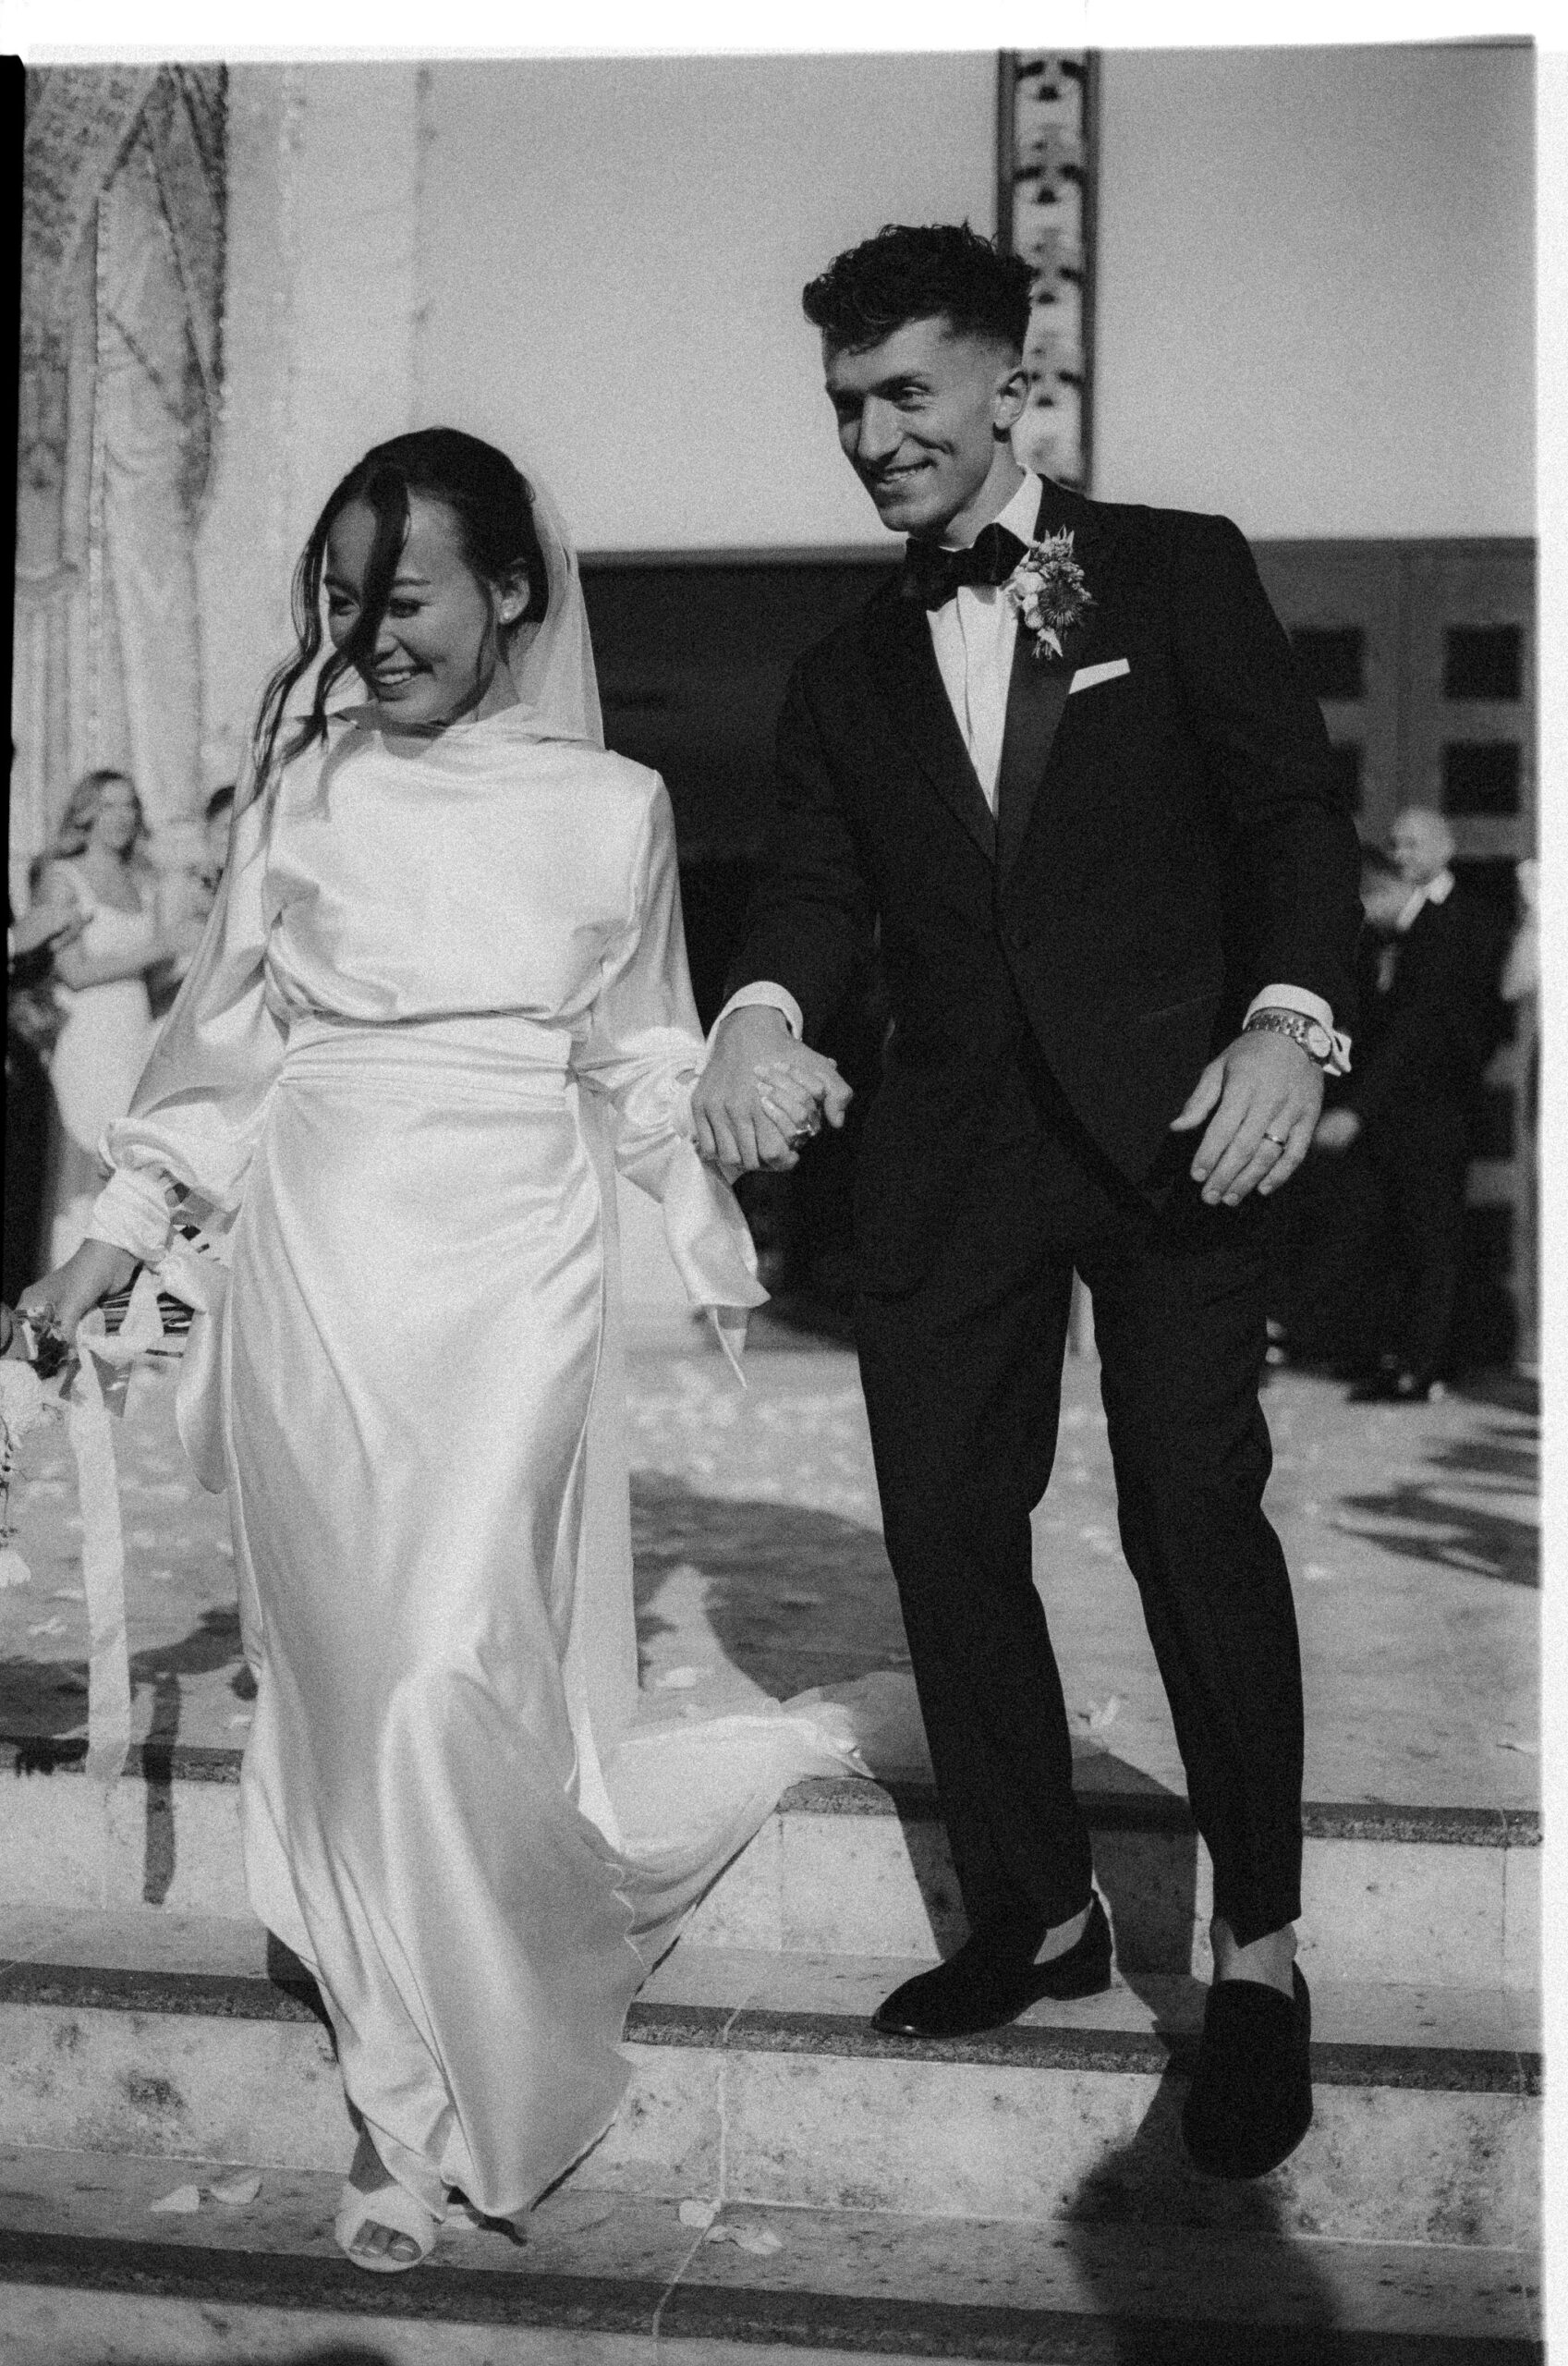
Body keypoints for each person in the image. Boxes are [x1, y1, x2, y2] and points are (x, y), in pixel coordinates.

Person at [22, 427, 845, 2270]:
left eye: (399, 598)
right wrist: (111, 1244)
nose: (366, 634)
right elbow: (226, 1071)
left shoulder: (615, 806)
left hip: (513, 1281)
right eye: (340, 603)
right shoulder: (298, 802)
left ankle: (492, 2038)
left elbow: (638, 1055)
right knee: (347, 1688)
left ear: (508, 595)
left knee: (444, 1668)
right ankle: (401, 2096)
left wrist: (724, 1130)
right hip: (318, 1275)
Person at [691, 226, 1362, 2182]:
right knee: (944, 1525)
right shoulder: (837, 671)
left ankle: (1254, 1950)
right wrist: (752, 1013)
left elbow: (1282, 824)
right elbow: (810, 892)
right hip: (949, 1149)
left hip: (1173, 1127)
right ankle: (1037, 1906)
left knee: (1186, 1509)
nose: (870, 435)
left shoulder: (1170, 566)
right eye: (843, 406)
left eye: (904, 394)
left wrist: (1287, 1025)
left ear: (1007, 385)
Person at [1313, 807, 1505, 1400]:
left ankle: (1422, 1367)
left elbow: (1422, 1028)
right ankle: (1397, 1355)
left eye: (1411, 844)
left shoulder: (1460, 920)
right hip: (1400, 1112)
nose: (1399, 854)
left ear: (1445, 848)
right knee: (1395, 1235)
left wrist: (1357, 1110)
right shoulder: (1399, 928)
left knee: (1430, 1239)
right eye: (1393, 844)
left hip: (1433, 1110)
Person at [34, 772, 198, 1267]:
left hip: (133, 1037)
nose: (123, 816)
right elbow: (74, 971)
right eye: (110, 805)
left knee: (130, 1167)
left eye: (130, 805)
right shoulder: (62, 876)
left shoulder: (140, 883)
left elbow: (147, 982)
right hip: (87, 1037)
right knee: (88, 1166)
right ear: (86, 812)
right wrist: (162, 946)